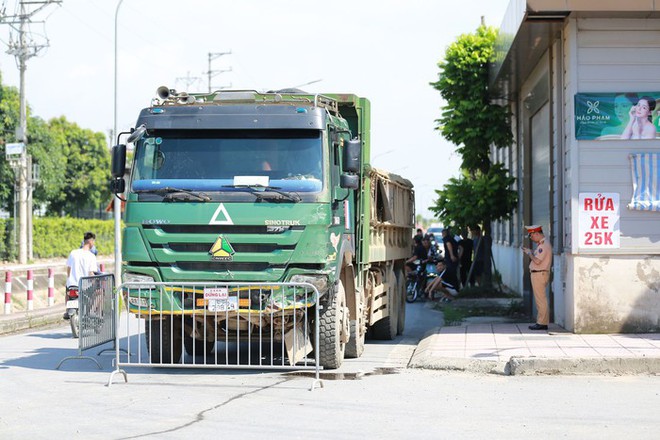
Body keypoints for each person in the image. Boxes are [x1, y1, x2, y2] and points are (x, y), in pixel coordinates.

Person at [522, 225, 553, 331]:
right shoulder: (541, 245)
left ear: (537, 234)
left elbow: (537, 261)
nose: (531, 238)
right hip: (538, 274)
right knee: (540, 299)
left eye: (532, 236)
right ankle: (541, 322)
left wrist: (529, 253)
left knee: (541, 299)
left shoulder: (543, 245)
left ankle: (542, 323)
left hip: (540, 274)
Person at [64, 232, 98, 319]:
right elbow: (91, 273)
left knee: (67, 291)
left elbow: (68, 269)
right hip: (84, 285)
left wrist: (69, 279)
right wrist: (95, 282)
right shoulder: (91, 256)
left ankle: (67, 310)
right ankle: (92, 313)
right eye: (93, 241)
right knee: (97, 293)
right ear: (91, 242)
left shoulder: (73, 253)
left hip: (72, 284)